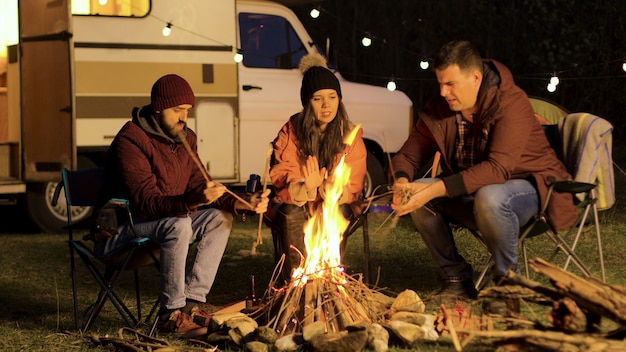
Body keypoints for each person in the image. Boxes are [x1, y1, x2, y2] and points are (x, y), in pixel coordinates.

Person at [390, 40, 579, 299]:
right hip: (473, 192)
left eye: (450, 84)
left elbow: (497, 169)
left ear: (475, 78)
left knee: (490, 196)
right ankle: (456, 279)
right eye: (440, 83)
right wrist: (401, 182)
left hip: (532, 188)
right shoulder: (441, 109)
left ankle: (508, 286)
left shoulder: (510, 102)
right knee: (420, 195)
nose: (443, 92)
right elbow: (407, 155)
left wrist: (438, 188)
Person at [95, 74, 270, 337]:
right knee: (179, 223)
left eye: (187, 111)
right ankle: (170, 315)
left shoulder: (185, 139)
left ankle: (192, 302)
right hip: (122, 229)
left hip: (162, 223)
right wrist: (193, 200)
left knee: (218, 218)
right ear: (158, 108)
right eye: (177, 110)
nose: (183, 117)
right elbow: (147, 201)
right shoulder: (131, 141)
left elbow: (203, 183)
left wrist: (244, 203)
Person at [269, 53, 367, 279]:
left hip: (332, 203)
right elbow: (283, 173)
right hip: (298, 201)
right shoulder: (292, 131)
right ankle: (297, 279)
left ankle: (330, 278)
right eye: (317, 98)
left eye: (332, 97)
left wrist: (335, 190)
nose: (326, 105)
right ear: (307, 102)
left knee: (335, 210)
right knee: (291, 212)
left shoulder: (350, 136)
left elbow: (354, 184)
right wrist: (306, 187)